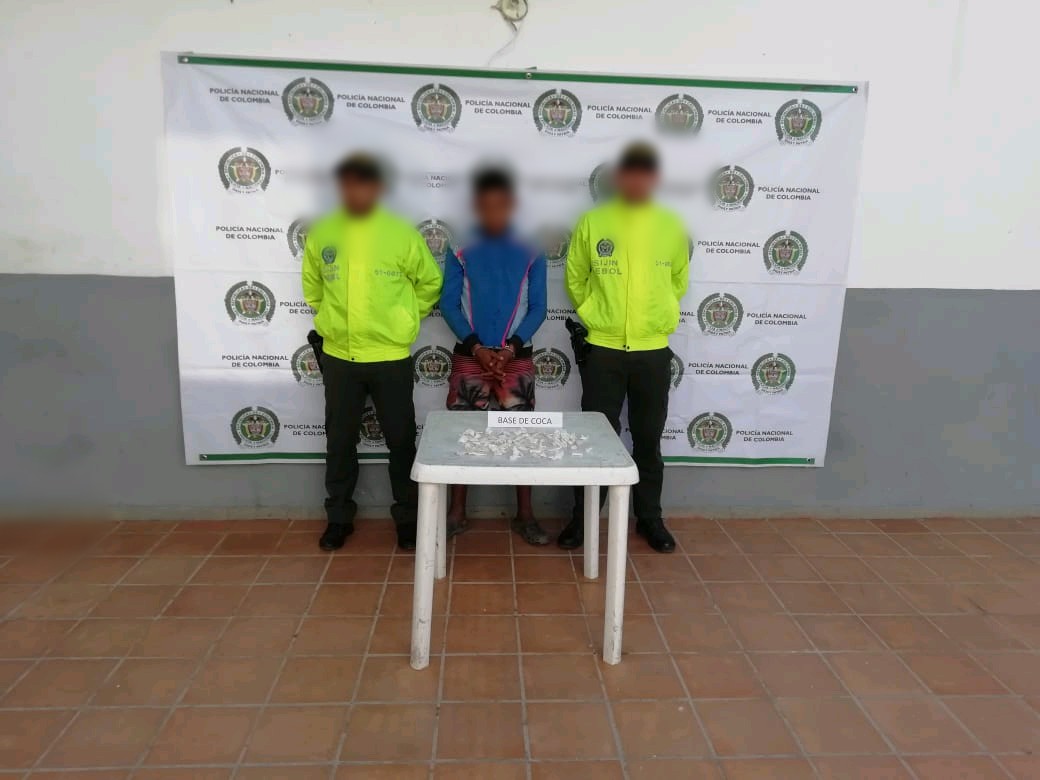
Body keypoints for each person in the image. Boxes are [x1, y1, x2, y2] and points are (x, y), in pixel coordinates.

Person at [302, 153, 443, 552]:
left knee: (401, 441)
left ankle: (409, 520)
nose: (356, 191)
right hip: (340, 358)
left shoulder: (401, 234)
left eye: (364, 184)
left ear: (378, 188)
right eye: (349, 183)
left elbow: (430, 283)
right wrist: (332, 320)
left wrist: (404, 319)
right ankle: (338, 518)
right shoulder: (324, 233)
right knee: (339, 442)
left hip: (389, 357)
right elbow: (313, 289)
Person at [558, 142, 689, 553]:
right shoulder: (594, 222)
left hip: (652, 351)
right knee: (595, 439)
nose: (636, 181)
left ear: (654, 179)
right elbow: (575, 277)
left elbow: (678, 281)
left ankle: (649, 518)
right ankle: (582, 520)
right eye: (629, 174)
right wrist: (595, 314)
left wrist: (657, 316)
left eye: (644, 174)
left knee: (648, 439)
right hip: (604, 350)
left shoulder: (671, 226)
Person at [439, 168, 550, 545]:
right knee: (462, 435)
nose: (493, 214)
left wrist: (510, 349)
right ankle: (456, 512)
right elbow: (449, 304)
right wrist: (477, 347)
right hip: (470, 355)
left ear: (513, 206)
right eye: (485, 207)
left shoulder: (532, 249)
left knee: (522, 436)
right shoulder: (459, 247)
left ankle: (525, 515)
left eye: (500, 206)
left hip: (515, 358)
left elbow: (539, 308)